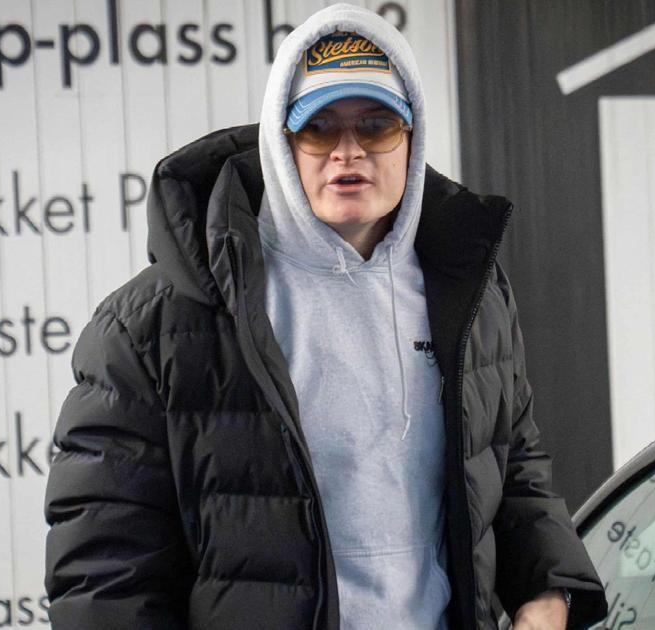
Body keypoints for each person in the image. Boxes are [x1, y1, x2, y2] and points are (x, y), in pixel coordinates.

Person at [44, 4, 606, 629]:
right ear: (281, 142)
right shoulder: (153, 325)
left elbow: (510, 463)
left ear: (413, 137)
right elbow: (107, 573)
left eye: (376, 125)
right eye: (318, 128)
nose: (348, 151)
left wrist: (547, 591)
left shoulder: (470, 292)